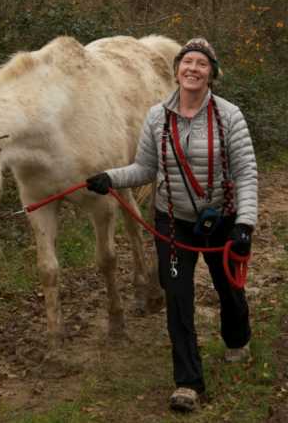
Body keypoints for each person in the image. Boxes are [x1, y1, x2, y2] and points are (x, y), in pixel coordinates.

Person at [86, 37, 257, 412]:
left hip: (221, 220)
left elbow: (245, 173)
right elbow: (145, 169)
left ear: (212, 74)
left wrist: (244, 224)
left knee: (229, 291)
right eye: (187, 62)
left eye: (201, 64)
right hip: (172, 221)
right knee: (178, 298)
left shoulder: (230, 116)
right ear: (177, 70)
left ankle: (237, 337)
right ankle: (188, 382)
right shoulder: (156, 116)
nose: (193, 69)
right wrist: (110, 178)